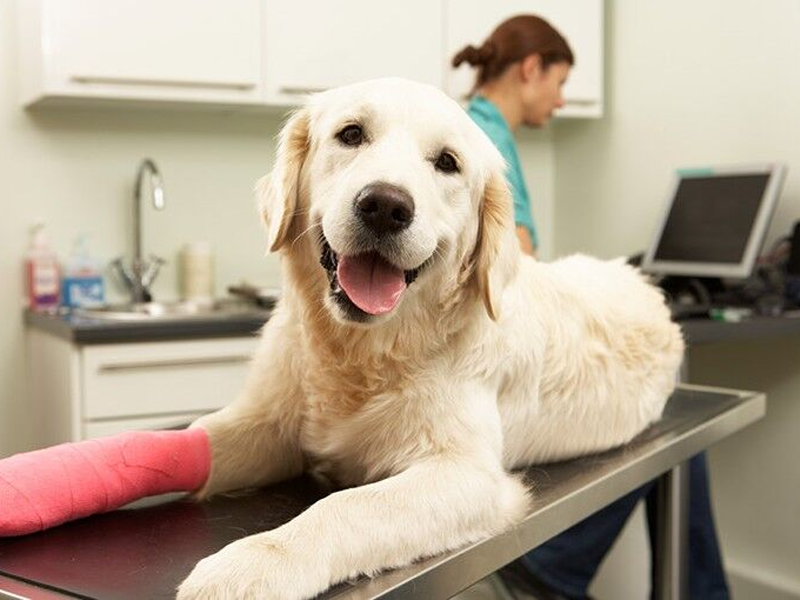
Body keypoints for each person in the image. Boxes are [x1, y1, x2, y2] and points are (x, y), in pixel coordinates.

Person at [453, 15, 730, 600]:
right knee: (662, 402)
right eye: (559, 81)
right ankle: (553, 565)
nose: (559, 100)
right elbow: (513, 267)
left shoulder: (476, 128)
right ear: (531, 69)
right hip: (481, 364)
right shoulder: (481, 140)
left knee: (662, 408)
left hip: (484, 352)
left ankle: (564, 566)